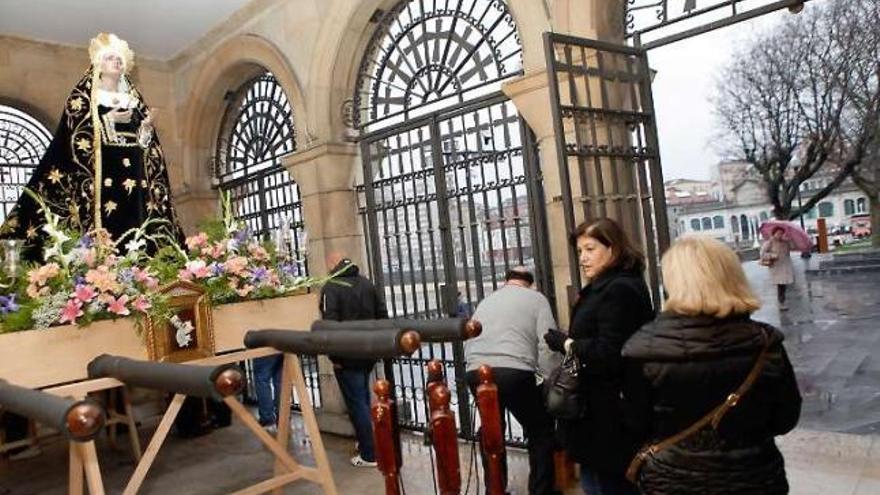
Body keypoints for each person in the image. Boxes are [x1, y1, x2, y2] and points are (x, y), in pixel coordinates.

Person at [622, 236, 801, 494]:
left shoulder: (643, 350)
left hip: (673, 481)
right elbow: (785, 418)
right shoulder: (765, 343)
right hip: (754, 478)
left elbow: (636, 424)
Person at [0, 32, 183, 260]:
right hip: (103, 177)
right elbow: (76, 138)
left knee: (140, 222)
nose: (116, 62)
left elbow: (147, 148)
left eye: (119, 59)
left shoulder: (135, 101)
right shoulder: (85, 100)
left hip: (136, 179)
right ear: (99, 64)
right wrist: (109, 120)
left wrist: (145, 128)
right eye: (110, 58)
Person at [543, 218, 654, 495]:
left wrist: (567, 343)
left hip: (611, 418)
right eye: (580, 251)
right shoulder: (604, 287)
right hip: (596, 417)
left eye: (590, 249)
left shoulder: (618, 290)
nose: (583, 258)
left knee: (608, 486)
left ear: (613, 249)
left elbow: (609, 352)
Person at [464, 267, 561, 495]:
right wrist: (548, 380)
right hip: (514, 372)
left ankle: (495, 489)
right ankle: (541, 490)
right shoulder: (537, 299)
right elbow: (547, 342)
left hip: (476, 371)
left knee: (491, 430)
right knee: (540, 430)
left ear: (506, 281)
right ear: (530, 283)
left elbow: (470, 337)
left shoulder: (487, 301)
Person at [319, 252, 388, 468]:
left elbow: (330, 326)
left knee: (357, 403)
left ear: (333, 265)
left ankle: (370, 453)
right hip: (368, 352)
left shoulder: (331, 287)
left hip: (346, 355)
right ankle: (370, 442)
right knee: (364, 400)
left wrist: (335, 356)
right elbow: (382, 316)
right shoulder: (367, 284)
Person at [761, 227, 795, 310]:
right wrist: (772, 256)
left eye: (781, 233)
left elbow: (793, 247)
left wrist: (790, 239)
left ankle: (782, 302)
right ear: (774, 233)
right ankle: (781, 303)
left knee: (784, 285)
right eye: (778, 233)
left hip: (785, 265)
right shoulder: (770, 242)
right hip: (776, 266)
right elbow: (762, 253)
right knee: (780, 285)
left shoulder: (785, 242)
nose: (780, 235)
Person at [252, 354, 283, 433]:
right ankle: (283, 416)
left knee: (262, 380)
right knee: (280, 381)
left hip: (263, 345)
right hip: (283, 345)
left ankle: (267, 420)